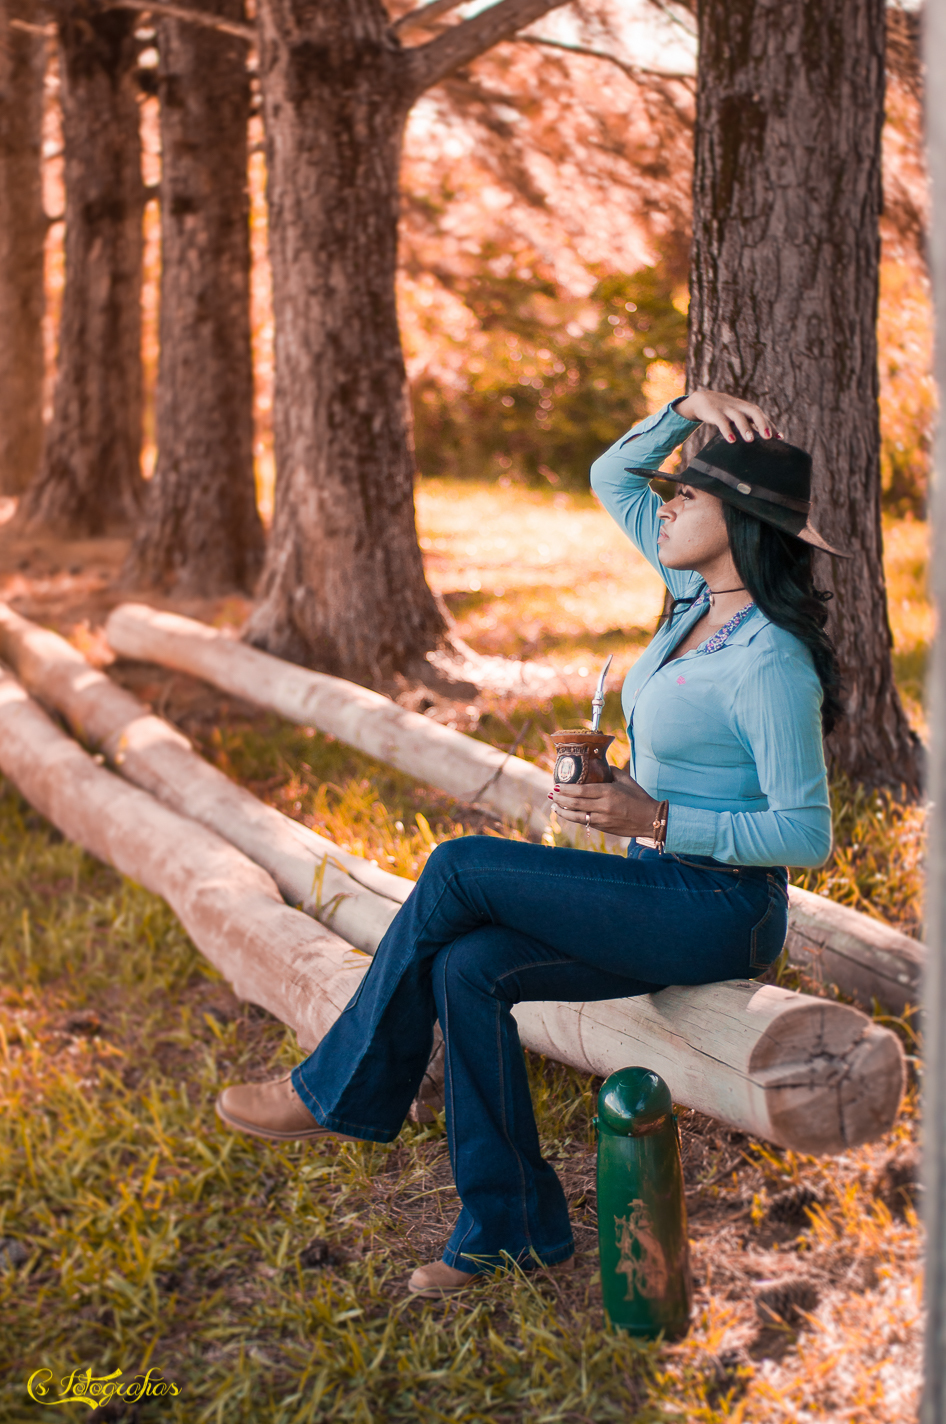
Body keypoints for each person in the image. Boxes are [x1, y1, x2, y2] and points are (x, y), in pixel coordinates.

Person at [215, 388, 845, 1299]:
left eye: (689, 498)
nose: (664, 506)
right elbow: (610, 476)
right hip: (654, 887)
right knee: (469, 968)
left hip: (720, 911)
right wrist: (686, 404)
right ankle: (510, 1228)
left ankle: (335, 1090)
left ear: (741, 521)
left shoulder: (770, 660)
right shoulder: (687, 597)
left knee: (459, 865)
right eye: (671, 495)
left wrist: (658, 820)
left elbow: (807, 833)